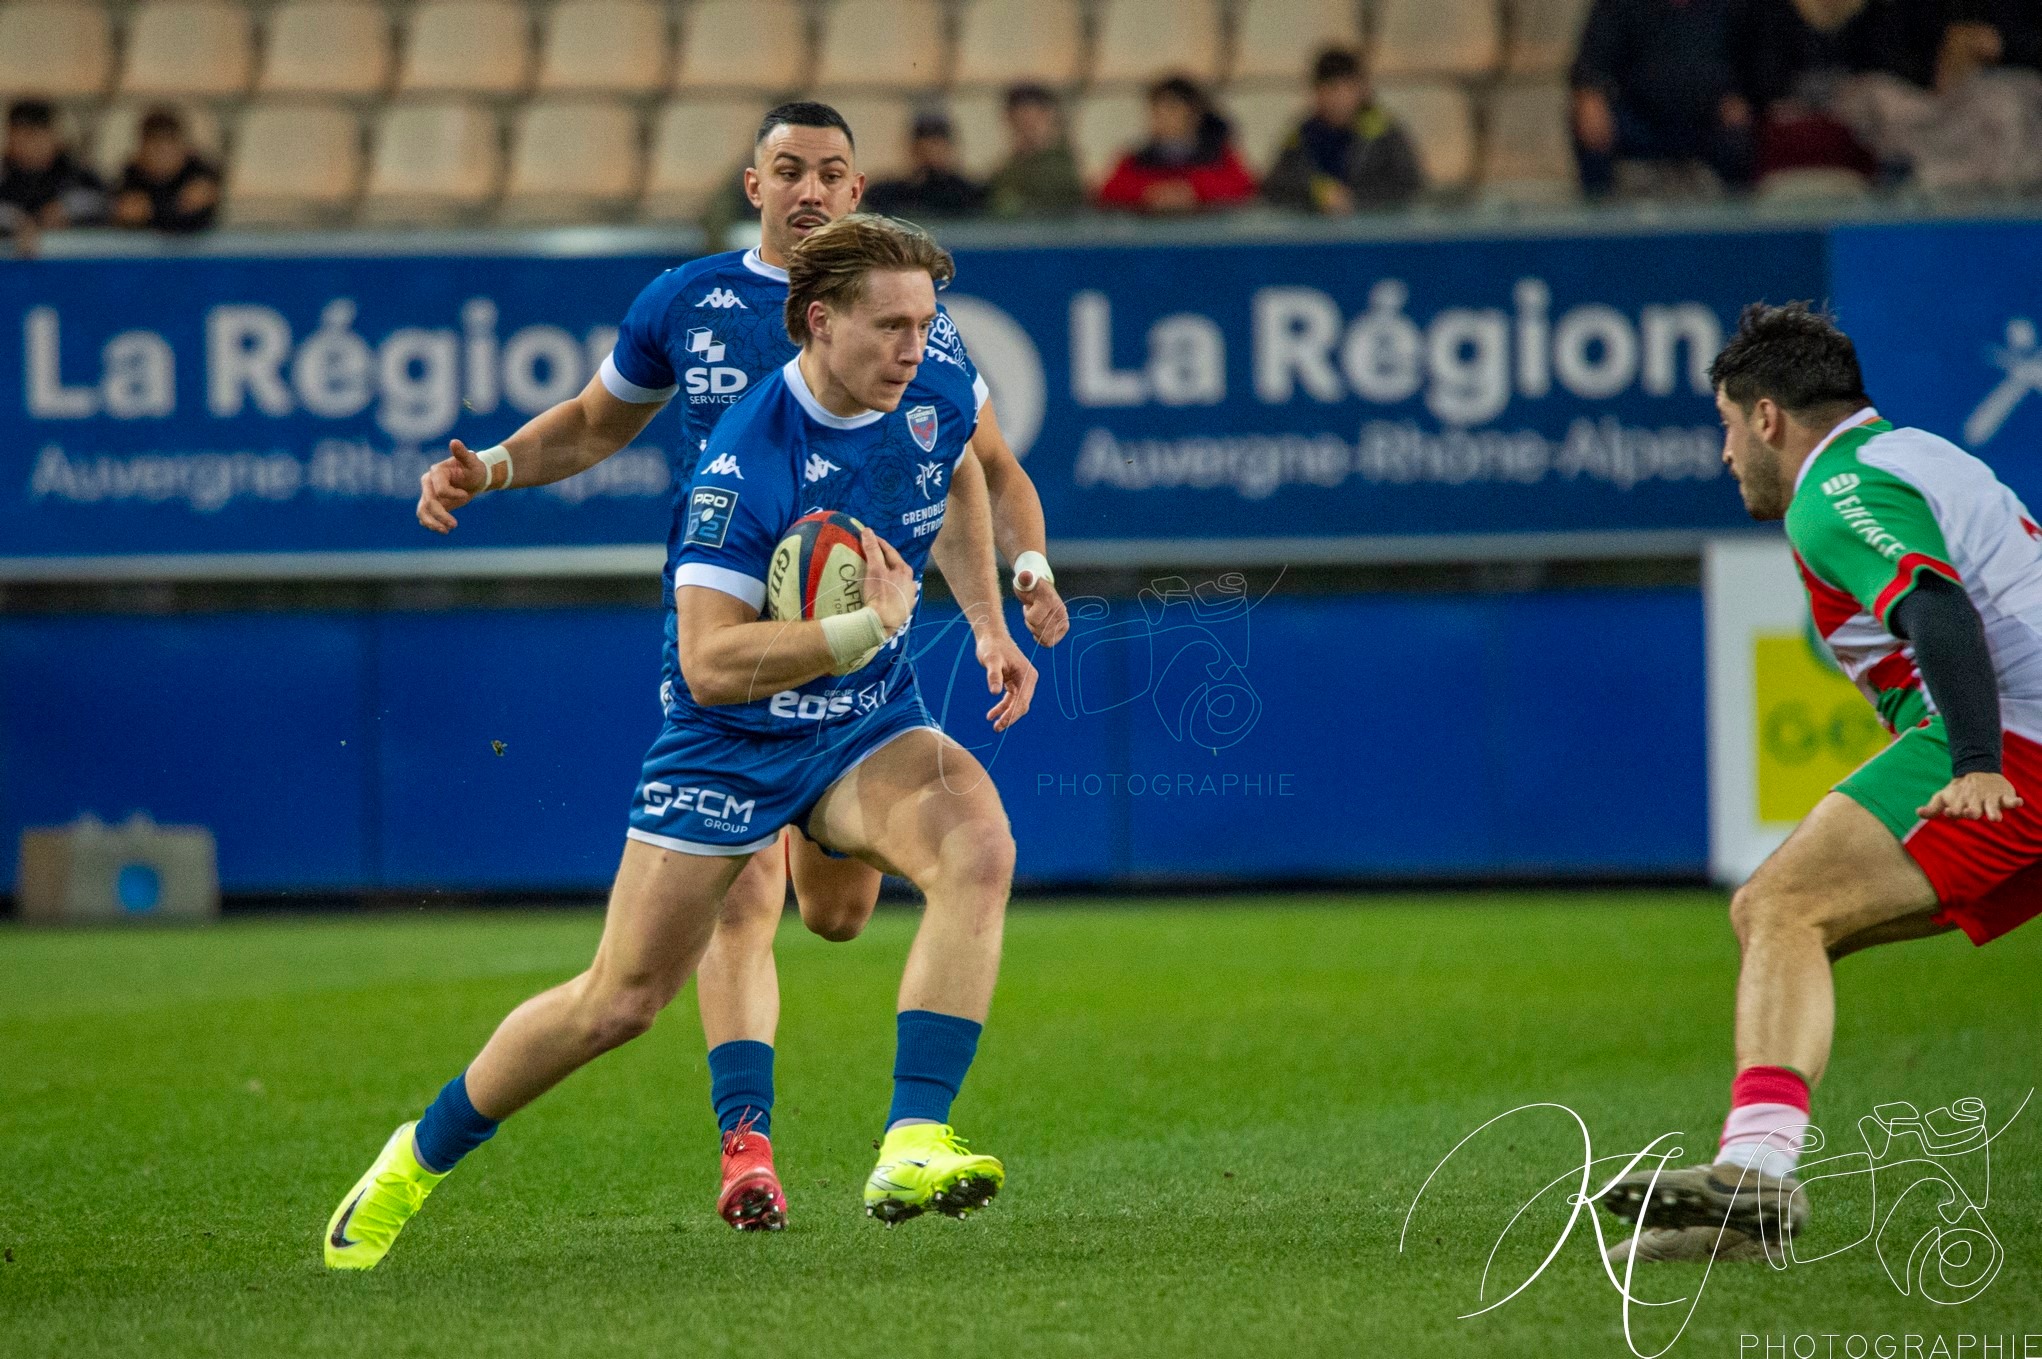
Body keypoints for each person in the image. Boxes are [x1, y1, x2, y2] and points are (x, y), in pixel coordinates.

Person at [372, 102, 1066, 1252]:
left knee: (907, 883)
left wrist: (994, 613)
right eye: (788, 168)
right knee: (620, 1001)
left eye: (832, 171)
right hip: (733, 708)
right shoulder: (738, 442)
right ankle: (424, 1157)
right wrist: (489, 467)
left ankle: (911, 1141)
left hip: (857, 704)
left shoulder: (930, 359)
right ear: (759, 193)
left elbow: (964, 471)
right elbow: (702, 647)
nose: (915, 346)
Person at [1602, 303, 2042, 1265]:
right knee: (1803, 922)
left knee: (1781, 907)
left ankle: (1752, 1179)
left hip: (2019, 739)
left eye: (1727, 424)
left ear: (1767, 417)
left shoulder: (1832, 487)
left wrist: (1976, 762)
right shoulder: (1914, 453)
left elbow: (1937, 604)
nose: (1726, 453)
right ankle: (1746, 1190)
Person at [1569, 0, 1758, 195]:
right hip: (1639, 119)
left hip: (1706, 122)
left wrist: (1739, 97)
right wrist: (1590, 97)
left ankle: (1735, 209)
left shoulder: (1731, 7)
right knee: (1588, 120)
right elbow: (1591, 61)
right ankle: (1600, 208)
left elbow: (1754, 64)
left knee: (1739, 134)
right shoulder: (1619, 5)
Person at [1263, 47, 1422, 213]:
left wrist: (1355, 199)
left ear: (1361, 90)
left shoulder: (1384, 133)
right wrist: (1317, 192)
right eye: (1332, 89)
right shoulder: (1302, 135)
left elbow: (1410, 185)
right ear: (1317, 92)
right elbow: (1274, 186)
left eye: (1348, 88)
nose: (1340, 99)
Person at [1096, 75, 1257, 214]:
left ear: (1194, 113)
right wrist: (1149, 193)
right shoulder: (1136, 159)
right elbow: (1109, 190)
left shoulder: (1219, 155)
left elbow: (1244, 187)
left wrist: (1195, 191)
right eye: (1156, 111)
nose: (1163, 118)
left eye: (1171, 109)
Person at [0, 99, 105, 235]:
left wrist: (65, 209)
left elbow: (104, 201)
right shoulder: (5, 175)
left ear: (52, 136)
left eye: (31, 135)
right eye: (16, 137)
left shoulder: (76, 173)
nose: (24, 145)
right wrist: (16, 221)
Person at [109, 107, 220, 234]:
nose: (162, 156)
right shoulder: (131, 175)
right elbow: (128, 214)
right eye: (155, 148)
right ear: (142, 150)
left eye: (168, 147)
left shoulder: (199, 173)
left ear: (183, 147)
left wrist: (151, 211)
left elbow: (194, 215)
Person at [984, 84, 1086, 218]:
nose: (1026, 125)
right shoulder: (1010, 166)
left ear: (1048, 115)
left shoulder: (1062, 163)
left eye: (1031, 117)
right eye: (1019, 119)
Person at [862, 110, 987, 218]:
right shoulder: (886, 194)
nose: (930, 157)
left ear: (949, 149)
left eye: (937, 149)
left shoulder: (968, 195)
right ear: (913, 150)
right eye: (923, 150)